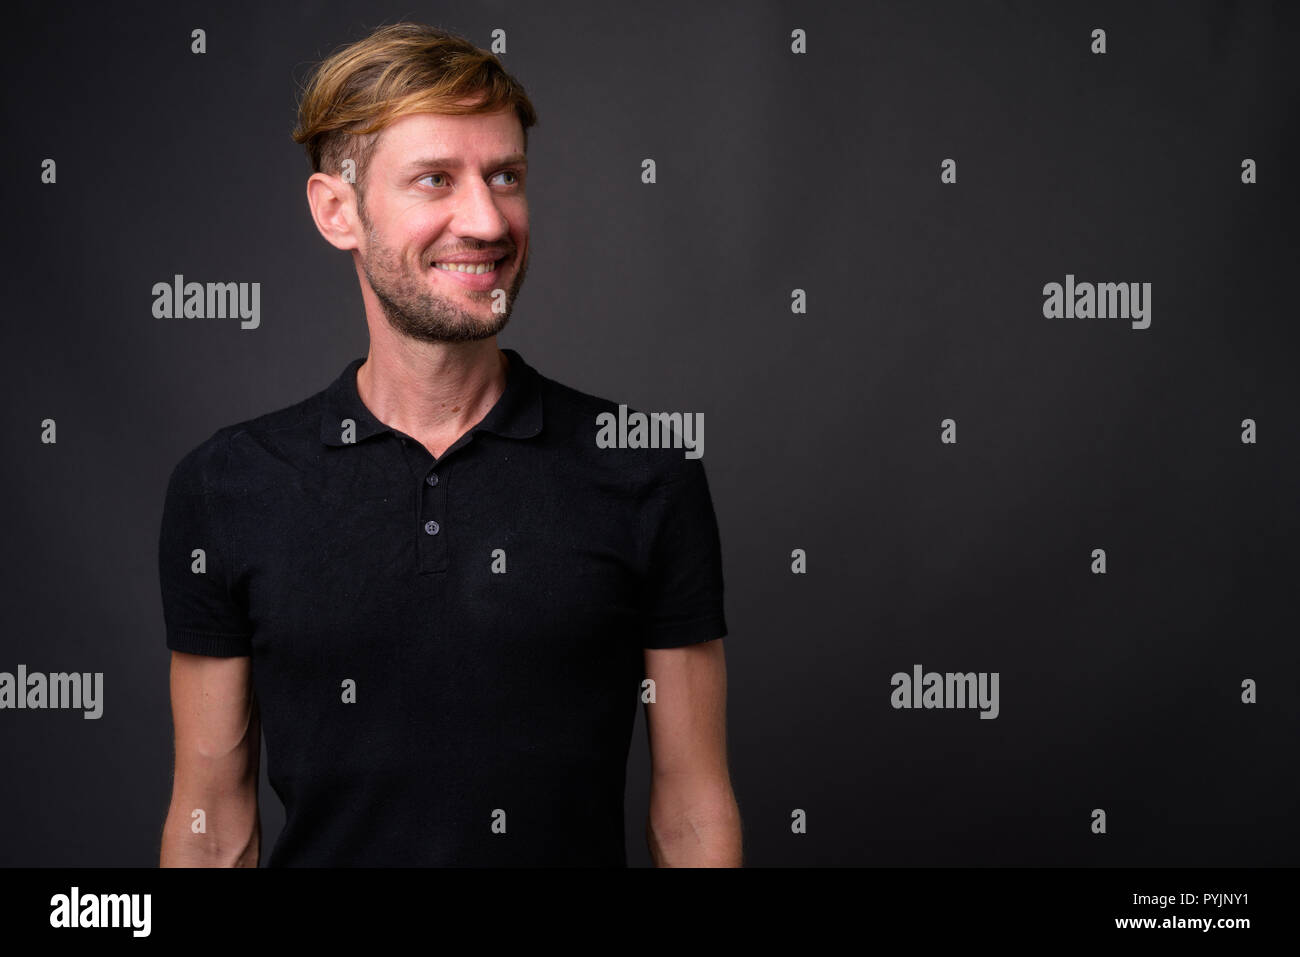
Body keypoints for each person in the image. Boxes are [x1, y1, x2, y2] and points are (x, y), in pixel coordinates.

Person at [157, 22, 741, 867]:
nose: (487, 218)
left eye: (506, 176)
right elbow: (212, 826)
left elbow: (692, 813)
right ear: (337, 211)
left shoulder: (647, 471)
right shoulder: (225, 488)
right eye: (435, 179)